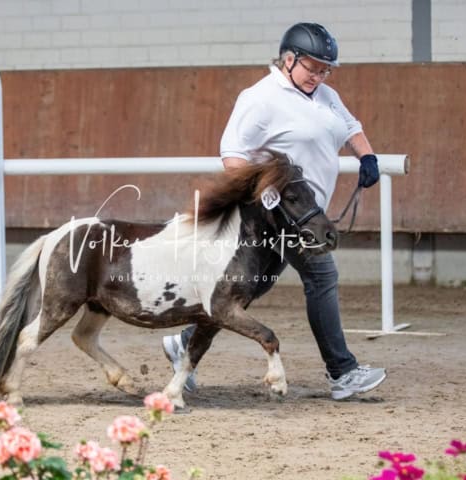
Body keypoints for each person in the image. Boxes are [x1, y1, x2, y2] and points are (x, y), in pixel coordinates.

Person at [162, 22, 386, 400]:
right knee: (322, 277)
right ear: (288, 59)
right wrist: (267, 196)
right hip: (281, 216)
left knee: (250, 288)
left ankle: (183, 345)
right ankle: (342, 372)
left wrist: (366, 155)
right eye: (312, 67)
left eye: (324, 69)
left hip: (307, 213)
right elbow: (233, 155)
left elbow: (350, 126)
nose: (318, 75)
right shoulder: (260, 98)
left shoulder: (325, 95)